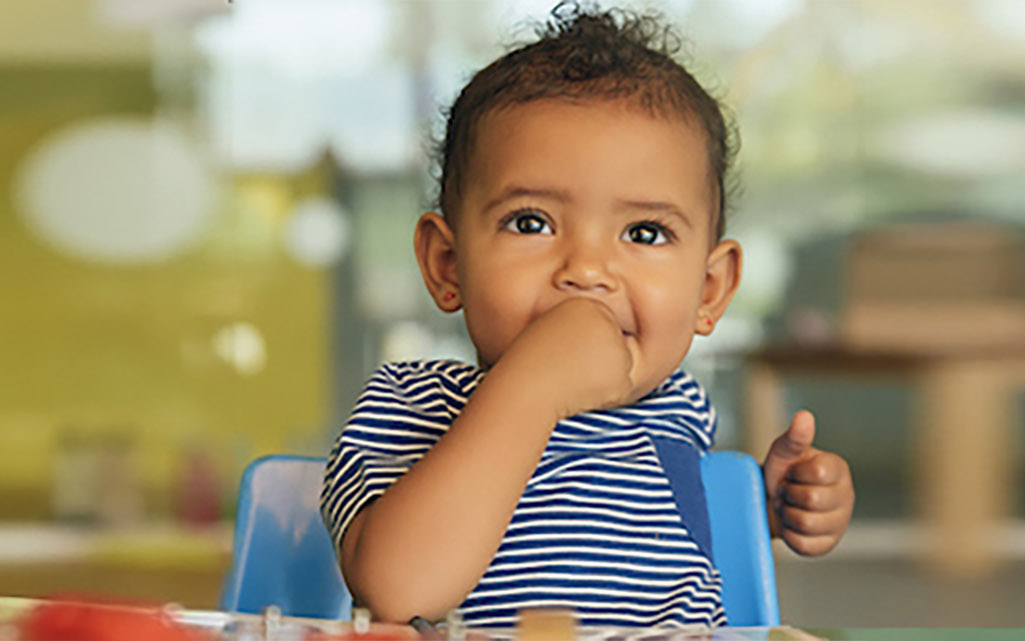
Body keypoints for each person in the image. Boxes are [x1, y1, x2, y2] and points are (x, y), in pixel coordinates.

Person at [320, 2, 856, 629]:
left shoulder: (678, 410)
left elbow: (659, 548)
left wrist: (759, 510)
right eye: (531, 222)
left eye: (645, 232)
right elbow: (399, 591)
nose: (587, 270)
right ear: (447, 264)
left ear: (710, 290)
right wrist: (533, 385)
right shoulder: (411, 406)